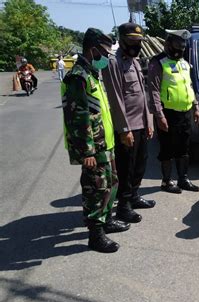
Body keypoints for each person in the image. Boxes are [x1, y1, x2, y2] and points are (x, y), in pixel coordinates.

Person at [61, 28, 130, 253]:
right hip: (93, 147)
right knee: (96, 189)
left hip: (105, 142)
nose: (107, 57)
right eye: (104, 52)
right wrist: (87, 151)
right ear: (92, 50)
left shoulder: (92, 74)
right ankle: (95, 234)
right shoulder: (78, 77)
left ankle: (107, 220)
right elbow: (78, 117)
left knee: (111, 183)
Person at [102, 22, 155, 224]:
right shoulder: (113, 63)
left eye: (138, 41)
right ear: (122, 40)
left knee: (140, 163)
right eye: (132, 41)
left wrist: (149, 121)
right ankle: (123, 207)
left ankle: (134, 196)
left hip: (141, 123)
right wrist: (124, 129)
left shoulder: (134, 61)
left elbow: (143, 94)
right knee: (126, 168)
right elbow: (116, 99)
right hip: (128, 127)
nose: (136, 45)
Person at [148, 29, 199, 194]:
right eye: (178, 44)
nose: (181, 48)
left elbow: (189, 86)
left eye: (183, 45)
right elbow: (154, 91)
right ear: (168, 43)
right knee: (167, 148)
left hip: (185, 112)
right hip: (168, 114)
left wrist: (196, 106)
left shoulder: (184, 63)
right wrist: (159, 115)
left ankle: (183, 179)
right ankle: (166, 182)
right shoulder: (158, 62)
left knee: (184, 147)